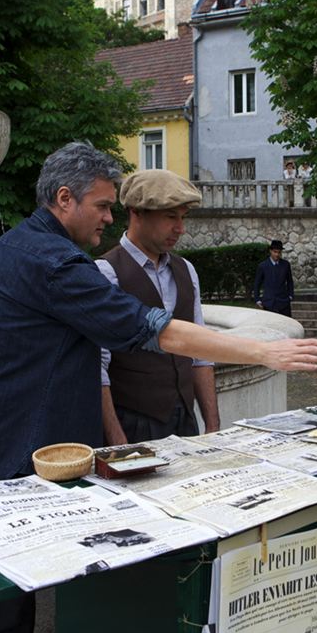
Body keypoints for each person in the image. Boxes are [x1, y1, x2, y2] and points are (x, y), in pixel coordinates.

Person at [0, 142, 317, 633]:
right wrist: (260, 352)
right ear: (63, 199)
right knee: (0, 624)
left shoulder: (23, 246)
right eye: (101, 205)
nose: (109, 216)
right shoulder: (56, 264)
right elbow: (153, 330)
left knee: (6, 617)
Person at [95, 170, 219, 445]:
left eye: (182, 217)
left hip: (185, 420)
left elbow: (200, 352)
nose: (180, 228)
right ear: (137, 212)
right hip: (133, 422)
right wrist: (117, 438)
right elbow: (97, 366)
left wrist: (213, 425)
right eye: (170, 217)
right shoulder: (106, 273)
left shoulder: (186, 270)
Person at [253, 240, 295, 316]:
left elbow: (290, 281)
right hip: (269, 303)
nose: (277, 254)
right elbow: (257, 283)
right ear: (270, 251)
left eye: (279, 252)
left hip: (284, 302)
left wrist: (290, 296)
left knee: (286, 325)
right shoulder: (263, 266)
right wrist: (257, 299)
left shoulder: (286, 265)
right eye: (275, 252)